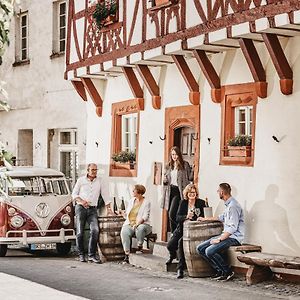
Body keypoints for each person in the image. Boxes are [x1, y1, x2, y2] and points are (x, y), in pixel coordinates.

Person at [196, 183, 245, 281]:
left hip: (234, 238)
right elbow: (221, 217)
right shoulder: (228, 205)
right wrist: (205, 219)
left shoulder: (233, 206)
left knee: (209, 251)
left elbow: (233, 228)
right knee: (200, 248)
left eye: (218, 191)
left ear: (222, 192)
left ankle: (227, 271)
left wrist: (219, 239)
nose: (217, 192)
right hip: (226, 235)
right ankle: (220, 271)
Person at [72, 163, 112, 263]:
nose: (94, 172)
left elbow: (105, 195)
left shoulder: (100, 181)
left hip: (93, 209)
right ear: (88, 170)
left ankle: (91, 255)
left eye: (95, 170)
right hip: (80, 208)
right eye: (92, 170)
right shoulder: (81, 180)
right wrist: (81, 201)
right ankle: (81, 254)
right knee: (80, 232)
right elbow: (74, 194)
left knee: (95, 230)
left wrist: (109, 209)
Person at [166, 183, 206, 279]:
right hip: (182, 228)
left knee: (181, 243)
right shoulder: (183, 203)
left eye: (194, 192)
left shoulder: (201, 203)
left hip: (193, 230)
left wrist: (199, 218)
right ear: (186, 194)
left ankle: (180, 269)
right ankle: (172, 255)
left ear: (196, 193)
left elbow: (204, 216)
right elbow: (177, 217)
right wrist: (186, 216)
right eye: (190, 193)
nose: (192, 194)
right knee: (170, 245)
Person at [161, 146, 193, 233]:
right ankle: (173, 234)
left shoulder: (184, 164)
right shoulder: (168, 166)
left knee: (172, 214)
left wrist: (194, 168)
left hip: (179, 192)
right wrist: (164, 181)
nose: (174, 156)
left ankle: (178, 232)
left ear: (179, 155)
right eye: (172, 155)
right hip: (169, 191)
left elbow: (190, 177)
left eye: (175, 154)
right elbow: (166, 180)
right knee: (169, 214)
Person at [120, 184, 151, 264]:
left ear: (139, 192)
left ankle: (139, 246)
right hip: (130, 223)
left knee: (140, 228)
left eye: (134, 190)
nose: (132, 191)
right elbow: (127, 214)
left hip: (143, 224)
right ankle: (127, 255)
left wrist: (137, 224)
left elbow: (145, 216)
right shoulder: (131, 200)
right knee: (124, 231)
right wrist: (123, 214)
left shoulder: (146, 202)